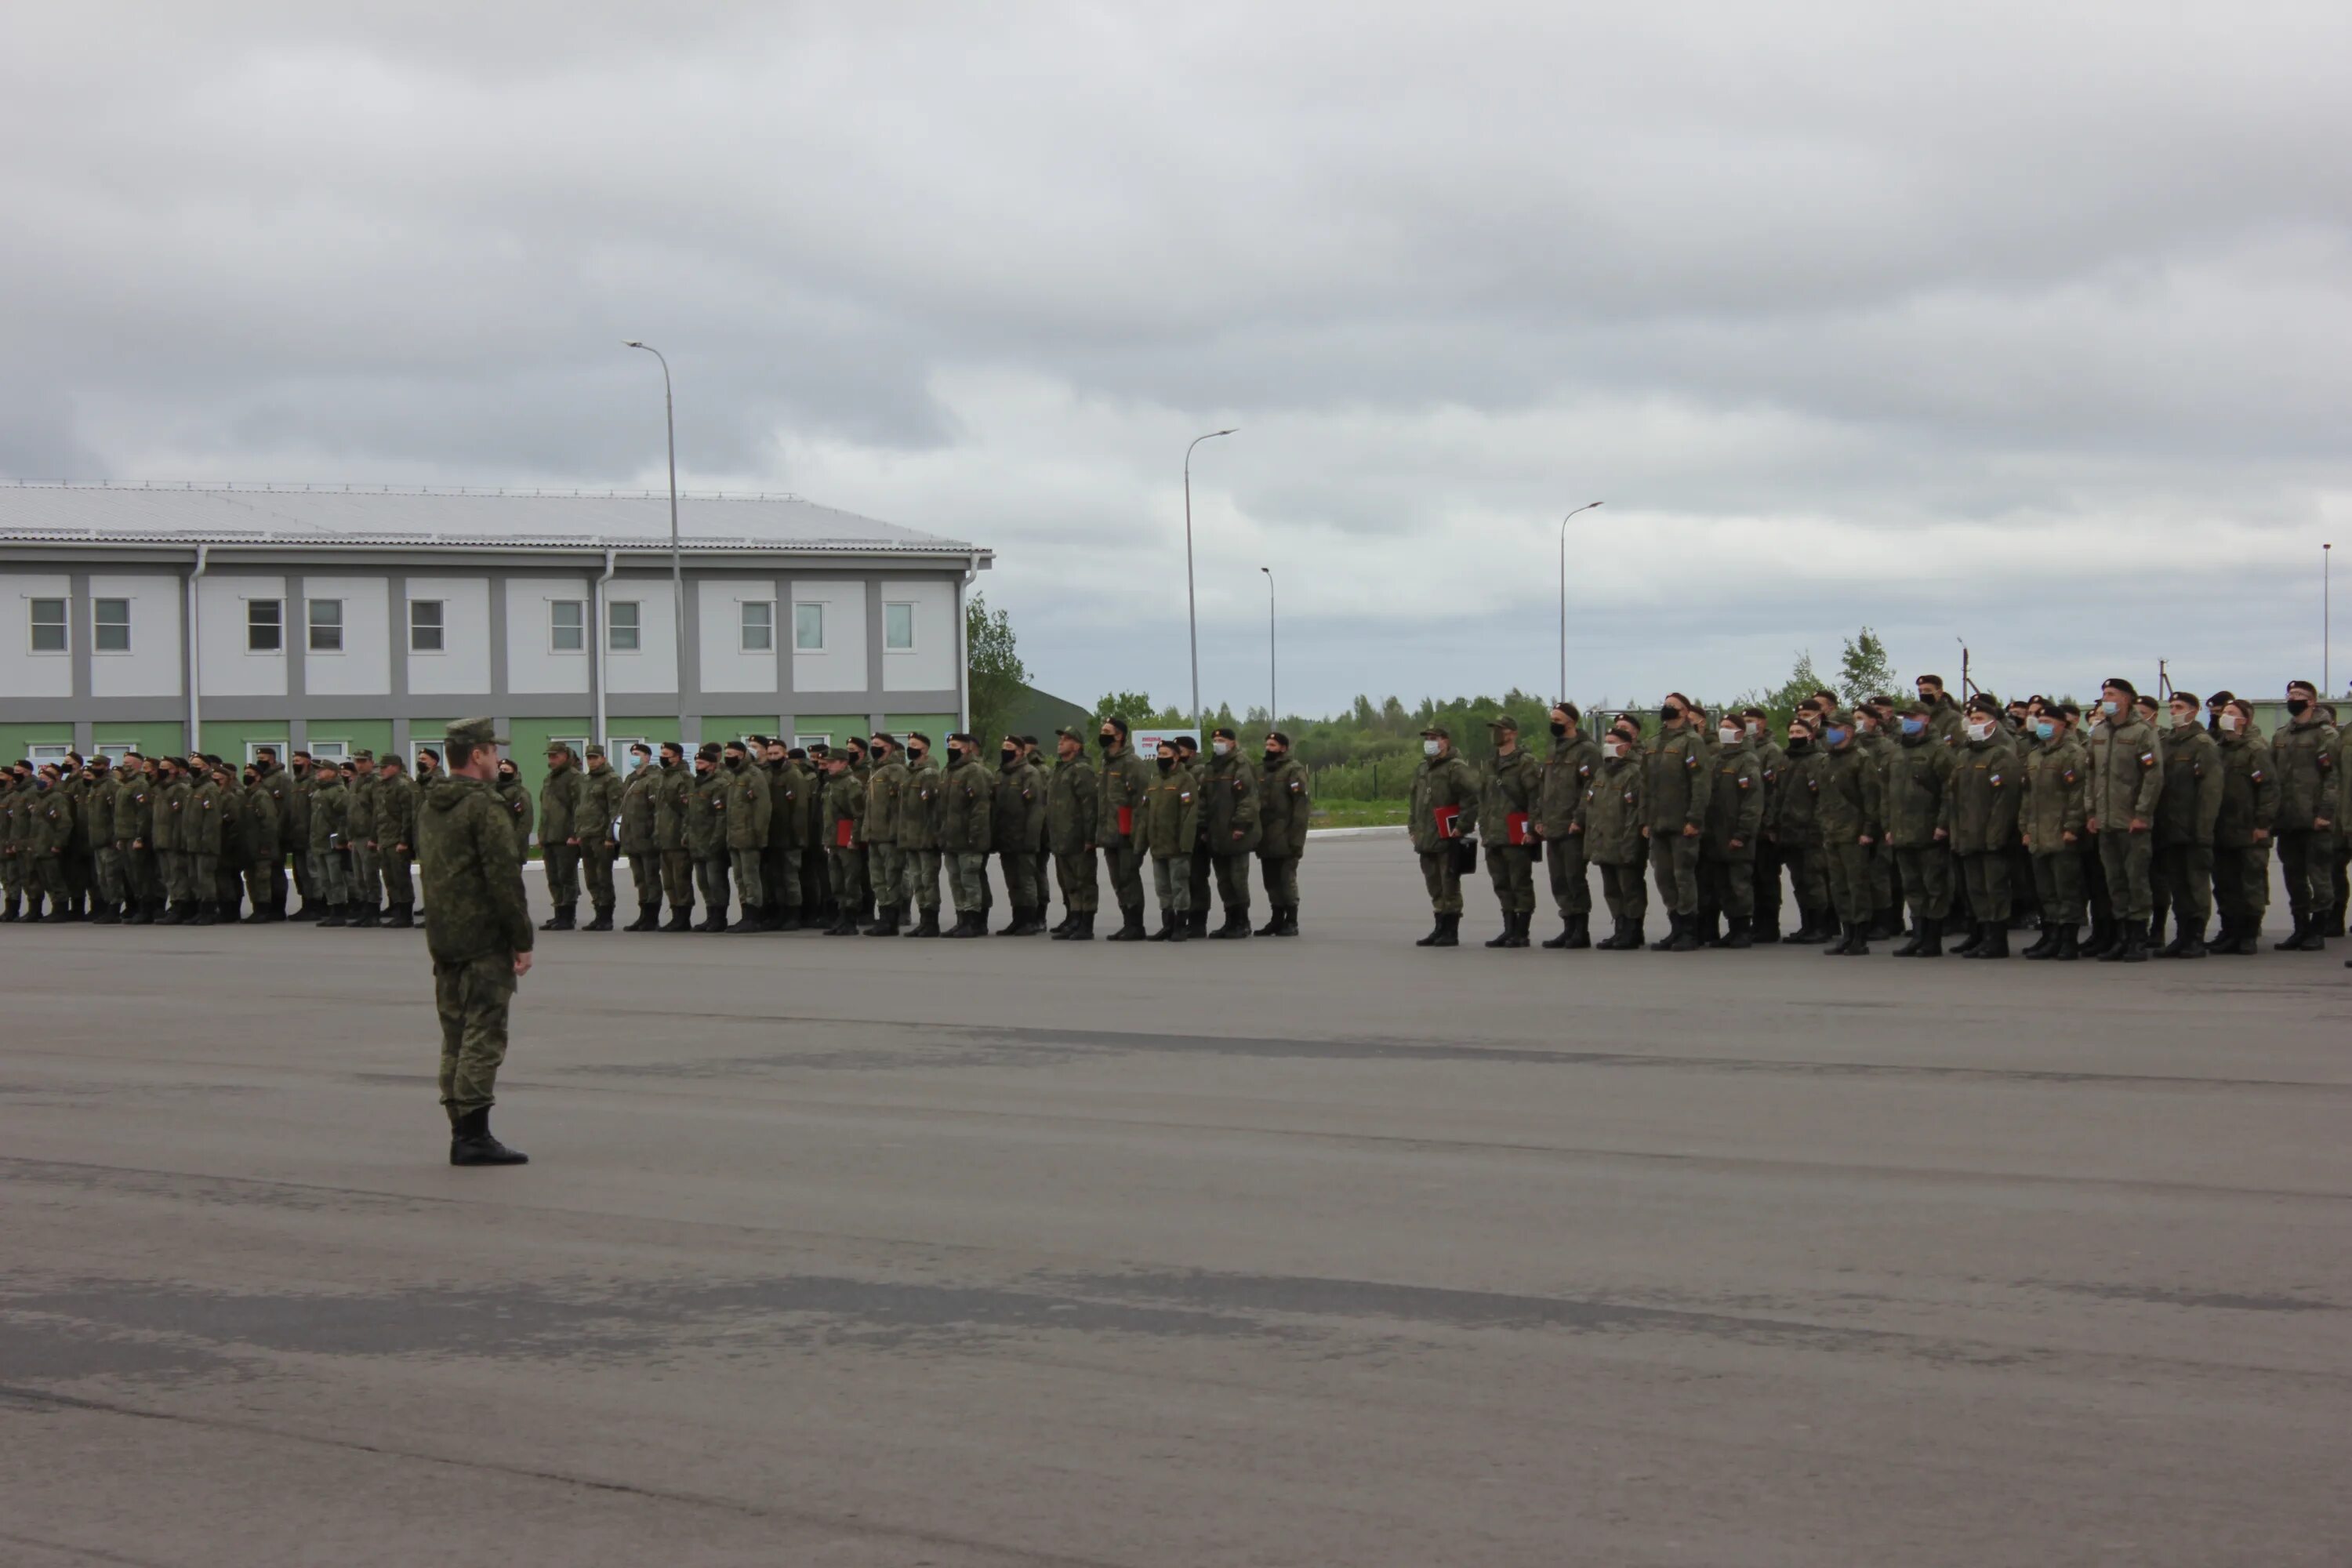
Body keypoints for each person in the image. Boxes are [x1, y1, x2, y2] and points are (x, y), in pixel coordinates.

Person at [417, 718, 533, 1167]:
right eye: (492, 751)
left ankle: (459, 1128)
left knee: (455, 1035)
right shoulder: (485, 807)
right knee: (484, 1034)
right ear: (478, 755)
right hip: (482, 937)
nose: (498, 759)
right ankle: (473, 1135)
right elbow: (504, 878)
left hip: (444, 935)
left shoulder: (432, 804)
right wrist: (521, 938)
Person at [2085, 677, 2163, 963]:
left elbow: (2153, 776)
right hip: (2106, 821)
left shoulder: (2141, 732)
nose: (2106, 697)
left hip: (2131, 821)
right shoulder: (2099, 733)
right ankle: (2121, 937)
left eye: (2112, 693)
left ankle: (2137, 938)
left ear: (2127, 699)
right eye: (2104, 692)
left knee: (2136, 880)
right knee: (2115, 881)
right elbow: (2092, 776)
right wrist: (2091, 812)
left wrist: (2142, 813)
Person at [1946, 696, 2021, 958]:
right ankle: (1981, 935)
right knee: (1975, 889)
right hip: (1967, 834)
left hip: (1991, 835)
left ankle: (1997, 939)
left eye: (1980, 719)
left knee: (1994, 888)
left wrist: (1996, 834)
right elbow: (1954, 797)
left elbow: (2006, 799)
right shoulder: (1965, 754)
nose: (1974, 723)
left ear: (1993, 723)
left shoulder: (2001, 754)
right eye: (1972, 719)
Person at [2153, 691, 2223, 957]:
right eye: (2171, 706)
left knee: (2195, 884)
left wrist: (2203, 830)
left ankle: (2195, 936)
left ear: (2194, 712)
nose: (2173, 711)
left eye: (2179, 706)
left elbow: (2210, 790)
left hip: (2193, 828)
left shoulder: (2202, 743)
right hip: (2170, 827)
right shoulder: (2168, 743)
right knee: (2178, 884)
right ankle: (2182, 936)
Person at [1885, 702, 1958, 956]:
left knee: (1934, 886)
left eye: (1912, 717)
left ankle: (1932, 938)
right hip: (1903, 830)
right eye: (1904, 717)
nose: (1907, 721)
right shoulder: (1898, 752)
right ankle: (1918, 935)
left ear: (1926, 720)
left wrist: (1942, 824)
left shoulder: (1939, 751)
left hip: (1929, 831)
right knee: (1912, 886)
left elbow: (1950, 791)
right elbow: (1888, 793)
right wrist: (1889, 826)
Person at [2270, 680, 2336, 951]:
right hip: (2288, 819)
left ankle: (2318, 929)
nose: (2292, 698)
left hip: (2314, 819)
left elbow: (2334, 778)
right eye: (2290, 694)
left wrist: (2325, 813)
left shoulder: (2326, 735)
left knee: (2319, 876)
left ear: (2311, 701)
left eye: (2298, 695)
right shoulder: (2281, 736)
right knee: (2293, 876)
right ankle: (2300, 927)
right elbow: (2273, 778)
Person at [2020, 704, 2089, 960]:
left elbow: (2077, 794)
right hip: (2038, 833)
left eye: (2048, 721)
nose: (2042, 725)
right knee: (2046, 890)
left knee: (2066, 889)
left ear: (2062, 725)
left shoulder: (2073, 754)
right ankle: (2051, 936)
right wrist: (2025, 829)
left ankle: (2068, 940)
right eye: (2040, 721)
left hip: (2061, 833)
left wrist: (2072, 827)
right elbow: (2027, 797)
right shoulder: (2036, 755)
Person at [2211, 698, 2278, 957]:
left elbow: (2269, 789)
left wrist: (2263, 824)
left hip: (2249, 829)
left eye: (2231, 713)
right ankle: (2230, 932)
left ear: (2244, 720)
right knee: (2225, 884)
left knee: (2250, 883)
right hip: (2222, 828)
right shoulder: (2218, 749)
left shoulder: (2255, 749)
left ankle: (2248, 934)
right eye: (2224, 712)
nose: (2224, 716)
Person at [1643, 695, 1709, 951]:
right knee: (1663, 877)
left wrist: (1694, 818)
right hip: (1658, 823)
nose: (1666, 708)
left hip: (1682, 823)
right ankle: (1676, 927)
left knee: (1684, 877)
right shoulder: (1654, 742)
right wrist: (1645, 819)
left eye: (1673, 705)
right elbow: (1645, 785)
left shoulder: (1692, 741)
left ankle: (1689, 931)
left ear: (1684, 712)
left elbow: (1701, 784)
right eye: (1666, 703)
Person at [1814, 710, 1882, 956]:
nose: (1829, 732)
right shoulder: (1827, 760)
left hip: (1854, 833)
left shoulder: (1860, 759)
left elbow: (1871, 798)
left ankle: (1860, 937)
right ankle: (1847, 933)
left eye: (1835, 727)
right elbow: (1823, 798)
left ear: (1848, 731)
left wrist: (1868, 830)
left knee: (1857, 885)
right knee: (1839, 886)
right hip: (1832, 831)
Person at [1408, 724, 1481, 947]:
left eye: (1434, 737)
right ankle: (1439, 926)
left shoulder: (1456, 768)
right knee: (1434, 885)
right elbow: (1415, 801)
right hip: (1426, 837)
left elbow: (1472, 797)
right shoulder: (1423, 769)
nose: (1430, 741)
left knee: (1449, 884)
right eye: (1428, 737)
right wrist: (1413, 827)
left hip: (1447, 837)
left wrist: (1462, 826)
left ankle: (1451, 930)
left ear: (1445, 741)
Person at [1698, 710, 1763, 947]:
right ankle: (1732, 929)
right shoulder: (1717, 759)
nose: (1723, 730)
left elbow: (1752, 801)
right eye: (1722, 726)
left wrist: (1743, 833)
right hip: (1716, 834)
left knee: (1739, 884)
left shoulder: (1748, 760)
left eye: (1729, 726)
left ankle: (1743, 929)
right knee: (1723, 885)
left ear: (1740, 733)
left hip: (1736, 834)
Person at [1583, 717, 1650, 949]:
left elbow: (1635, 813)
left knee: (1630, 889)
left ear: (1626, 747)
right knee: (1612, 890)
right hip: (1604, 842)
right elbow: (1592, 809)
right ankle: (1620, 928)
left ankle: (1633, 930)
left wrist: (1630, 844)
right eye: (1606, 741)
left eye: (1612, 742)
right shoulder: (1602, 773)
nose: (1607, 746)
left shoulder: (1634, 772)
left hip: (1625, 842)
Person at [1476, 716, 1539, 948]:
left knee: (1520, 882)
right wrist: (1483, 828)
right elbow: (1483, 798)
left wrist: (1532, 829)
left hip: (1517, 833)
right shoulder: (1490, 764)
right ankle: (1508, 928)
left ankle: (1521, 931)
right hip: (1494, 834)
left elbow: (1535, 797)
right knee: (1501, 883)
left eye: (1500, 729)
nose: (1495, 733)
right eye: (1493, 729)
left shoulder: (1525, 762)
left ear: (1513, 733)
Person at [1198, 726, 1263, 939]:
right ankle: (1230, 921)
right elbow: (1204, 800)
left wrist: (1240, 826)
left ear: (1233, 743)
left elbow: (1248, 799)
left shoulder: (1241, 765)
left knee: (1238, 879)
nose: (1218, 742)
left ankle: (1242, 922)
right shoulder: (1211, 768)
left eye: (1222, 739)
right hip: (1217, 834)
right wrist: (1204, 827)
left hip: (1236, 833)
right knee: (1223, 880)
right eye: (1215, 739)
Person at [1096, 717, 1153, 942]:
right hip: (1110, 833)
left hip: (1127, 833)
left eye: (1107, 730)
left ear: (1119, 735)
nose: (1103, 734)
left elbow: (1141, 802)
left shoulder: (1132, 762)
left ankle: (1136, 925)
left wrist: (1138, 836)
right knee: (1118, 880)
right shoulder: (1107, 762)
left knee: (1129, 878)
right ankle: (1127, 921)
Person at [1142, 738, 1200, 942]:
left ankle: (1180, 926)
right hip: (1158, 845)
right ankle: (1167, 924)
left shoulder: (1185, 780)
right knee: (1163, 888)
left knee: (1179, 886)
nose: (1161, 758)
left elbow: (1190, 815)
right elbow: (1146, 812)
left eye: (1165, 755)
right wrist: (1141, 842)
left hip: (1176, 845)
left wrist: (1185, 845)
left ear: (1176, 757)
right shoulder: (1155, 780)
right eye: (1159, 754)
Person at [1254, 730, 1311, 937]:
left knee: (1286, 879)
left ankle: (1291, 920)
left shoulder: (1293, 770)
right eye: (1267, 745)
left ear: (1283, 748)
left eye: (1273, 746)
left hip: (1286, 835)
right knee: (1270, 880)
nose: (1268, 749)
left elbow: (1301, 808)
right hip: (1266, 836)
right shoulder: (1261, 771)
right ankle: (1276, 918)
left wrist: (1296, 839)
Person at [938, 732, 995, 937]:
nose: (951, 748)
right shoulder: (947, 772)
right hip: (950, 838)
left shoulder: (974, 772)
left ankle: (975, 921)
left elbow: (979, 808)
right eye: (949, 744)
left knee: (970, 879)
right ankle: (962, 919)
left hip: (969, 838)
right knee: (955, 880)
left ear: (966, 748)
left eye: (956, 745)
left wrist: (975, 836)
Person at [1047, 727, 1102, 939]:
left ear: (1077, 746)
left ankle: (1086, 924)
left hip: (1078, 837)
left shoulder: (1082, 770)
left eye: (1066, 739)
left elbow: (1089, 806)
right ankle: (1074, 917)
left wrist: (1090, 837)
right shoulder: (1060, 769)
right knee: (1068, 882)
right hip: (1061, 837)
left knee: (1084, 882)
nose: (1060, 742)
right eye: (1060, 739)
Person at [993, 734, 1047, 935]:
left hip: (1023, 837)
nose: (1004, 750)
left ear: (1019, 751)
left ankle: (1029, 920)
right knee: (1013, 881)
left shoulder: (1029, 773)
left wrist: (1031, 839)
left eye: (1008, 747)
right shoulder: (1000, 774)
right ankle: (1017, 918)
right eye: (1003, 746)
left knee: (1026, 880)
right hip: (1006, 836)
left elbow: (1036, 809)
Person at [898, 732, 946, 938]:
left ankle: (931, 921)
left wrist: (934, 834)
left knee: (928, 880)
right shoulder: (910, 773)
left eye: (915, 745)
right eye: (909, 744)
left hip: (926, 836)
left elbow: (934, 807)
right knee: (917, 880)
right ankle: (924, 919)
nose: (911, 748)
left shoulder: (930, 774)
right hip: (911, 836)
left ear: (925, 749)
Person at [719, 739, 771, 932]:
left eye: (731, 754)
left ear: (742, 755)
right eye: (727, 754)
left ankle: (754, 916)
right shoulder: (732, 776)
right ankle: (745, 914)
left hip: (749, 836)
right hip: (734, 836)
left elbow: (762, 808)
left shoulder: (754, 775)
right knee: (740, 878)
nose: (728, 757)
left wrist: (758, 835)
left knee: (750, 877)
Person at [861, 734, 909, 935]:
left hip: (889, 834)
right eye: (873, 745)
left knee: (892, 878)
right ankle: (884, 917)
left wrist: (897, 830)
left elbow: (901, 803)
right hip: (874, 833)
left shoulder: (896, 770)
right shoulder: (874, 770)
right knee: (877, 879)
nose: (875, 748)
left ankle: (892, 920)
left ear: (889, 747)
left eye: (878, 745)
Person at [575, 744, 624, 931]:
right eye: (589, 758)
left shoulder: (611, 779)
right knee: (591, 878)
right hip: (586, 834)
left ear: (603, 758)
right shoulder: (586, 780)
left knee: (603, 876)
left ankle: (606, 916)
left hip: (601, 835)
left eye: (595, 757)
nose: (592, 761)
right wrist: (578, 831)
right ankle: (598, 913)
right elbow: (581, 808)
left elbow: (616, 809)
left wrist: (610, 835)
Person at [818, 747, 866, 935]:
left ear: (844, 763)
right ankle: (841, 916)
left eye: (832, 762)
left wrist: (854, 838)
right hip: (833, 839)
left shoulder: (850, 784)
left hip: (847, 839)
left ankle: (850, 919)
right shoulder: (830, 784)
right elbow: (827, 816)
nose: (828, 765)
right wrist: (826, 840)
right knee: (836, 881)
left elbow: (858, 814)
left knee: (850, 880)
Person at [536, 742, 585, 931]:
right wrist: (542, 834)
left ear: (565, 755)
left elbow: (579, 808)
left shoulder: (574, 778)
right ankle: (558, 913)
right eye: (549, 756)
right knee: (553, 877)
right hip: (550, 835)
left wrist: (575, 834)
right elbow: (546, 809)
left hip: (566, 836)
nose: (551, 760)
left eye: (555, 756)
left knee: (567, 876)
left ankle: (568, 916)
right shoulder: (549, 779)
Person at [617, 742, 664, 930]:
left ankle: (652, 917)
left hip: (647, 837)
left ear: (647, 757)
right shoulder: (630, 779)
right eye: (632, 754)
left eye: (637, 754)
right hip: (632, 837)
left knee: (651, 878)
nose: (633, 757)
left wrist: (654, 833)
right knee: (640, 879)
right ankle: (643, 914)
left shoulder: (653, 778)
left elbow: (656, 809)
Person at [372, 752, 420, 928]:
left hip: (397, 839)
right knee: (390, 877)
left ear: (395, 767)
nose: (382, 771)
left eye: (385, 767)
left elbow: (408, 815)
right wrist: (376, 838)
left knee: (401, 878)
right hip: (385, 838)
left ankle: (406, 914)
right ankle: (397, 911)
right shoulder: (383, 786)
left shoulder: (403, 785)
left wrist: (404, 840)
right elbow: (379, 814)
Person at [686, 743, 731, 931]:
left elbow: (721, 815)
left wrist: (716, 840)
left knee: (716, 881)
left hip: (711, 840)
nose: (698, 765)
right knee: (703, 882)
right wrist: (687, 834)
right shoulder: (696, 784)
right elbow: (690, 814)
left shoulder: (719, 784)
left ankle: (720, 917)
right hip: (697, 840)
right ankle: (710, 914)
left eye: (702, 762)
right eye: (697, 762)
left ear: (713, 765)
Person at [653, 742, 696, 931]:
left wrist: (686, 833)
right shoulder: (663, 778)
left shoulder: (684, 777)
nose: (663, 757)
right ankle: (675, 913)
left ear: (677, 757)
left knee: (681, 879)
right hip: (664, 836)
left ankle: (684, 917)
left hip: (677, 836)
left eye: (667, 754)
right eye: (662, 754)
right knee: (669, 882)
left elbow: (688, 810)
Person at [306, 757, 350, 926]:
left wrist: (341, 839)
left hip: (333, 843)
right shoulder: (318, 792)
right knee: (325, 878)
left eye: (321, 770)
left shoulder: (338, 792)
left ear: (333, 772)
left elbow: (344, 817)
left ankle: (340, 910)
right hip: (319, 842)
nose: (318, 772)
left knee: (335, 878)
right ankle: (332, 907)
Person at [495, 757, 534, 866]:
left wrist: (513, 843)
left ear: (514, 773)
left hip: (514, 849)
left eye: (506, 770)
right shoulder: (494, 791)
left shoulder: (520, 794)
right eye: (500, 770)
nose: (502, 773)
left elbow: (525, 822)